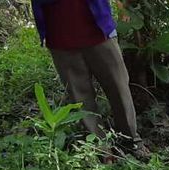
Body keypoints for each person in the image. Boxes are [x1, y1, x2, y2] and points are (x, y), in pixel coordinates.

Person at [30, 0, 146, 155]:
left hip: (99, 30)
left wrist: (122, 7)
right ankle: (100, 148)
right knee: (81, 98)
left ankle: (131, 141)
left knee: (119, 88)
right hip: (60, 37)